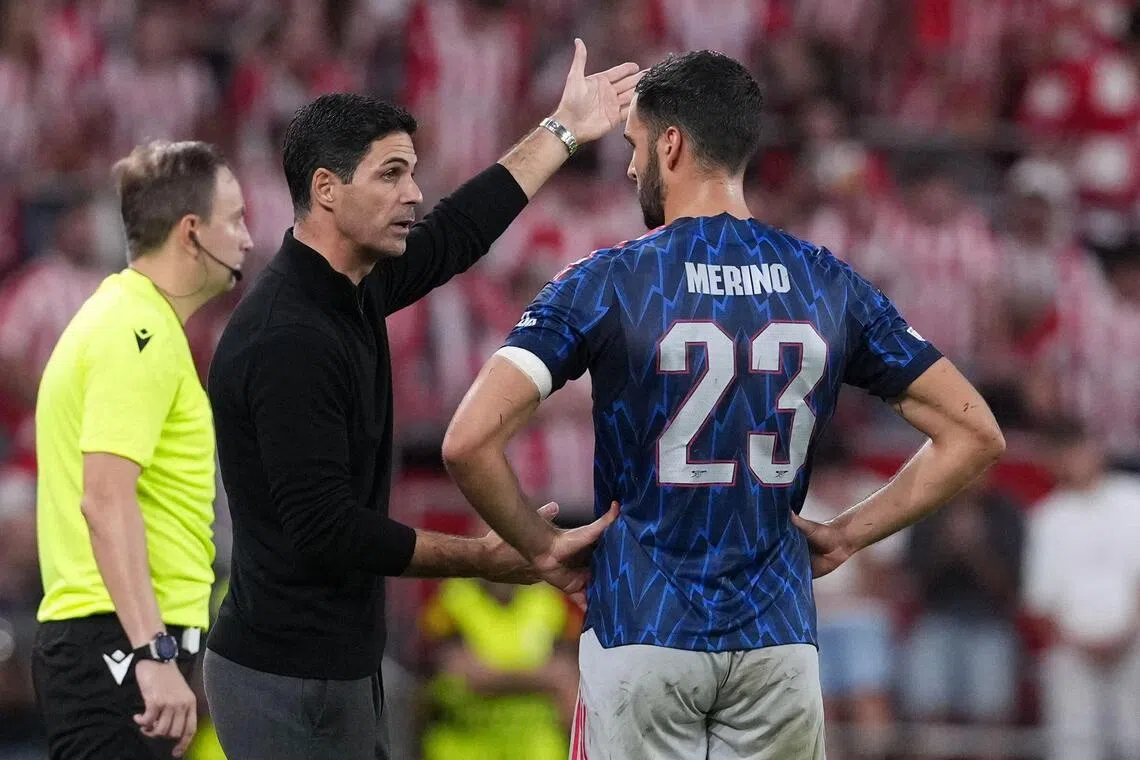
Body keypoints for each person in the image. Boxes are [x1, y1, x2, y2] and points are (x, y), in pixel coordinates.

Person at [441, 50, 1006, 760]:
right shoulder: (828, 281)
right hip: (778, 637)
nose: (628, 167)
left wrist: (541, 545)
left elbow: (466, 441)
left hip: (641, 627)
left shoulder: (607, 280)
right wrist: (852, 533)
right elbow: (974, 432)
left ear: (670, 144)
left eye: (633, 145)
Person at [201, 39, 641, 760]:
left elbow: (458, 233)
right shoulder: (289, 337)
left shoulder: (350, 289)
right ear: (326, 189)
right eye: (392, 174)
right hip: (285, 683)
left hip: (332, 669)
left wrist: (561, 130)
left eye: (413, 173)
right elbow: (328, 529)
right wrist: (485, 557)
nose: (413, 194)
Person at [31, 140, 253, 760]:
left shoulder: (131, 321)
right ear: (191, 233)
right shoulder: (139, 332)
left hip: (118, 641)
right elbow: (104, 500)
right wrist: (151, 652)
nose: (248, 239)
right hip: (118, 642)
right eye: (234, 219)